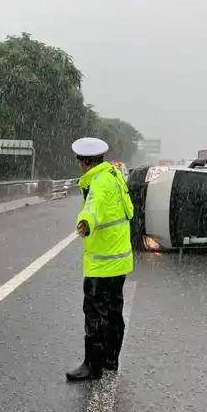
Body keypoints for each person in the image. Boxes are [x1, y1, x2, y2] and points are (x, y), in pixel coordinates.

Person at [66, 137, 135, 382]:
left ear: (84, 162)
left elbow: (93, 208)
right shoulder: (114, 176)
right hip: (119, 260)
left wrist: (85, 222)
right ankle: (110, 359)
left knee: (95, 313)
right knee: (114, 311)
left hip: (103, 262)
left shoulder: (100, 182)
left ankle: (92, 366)